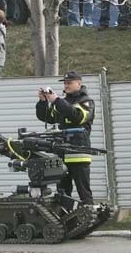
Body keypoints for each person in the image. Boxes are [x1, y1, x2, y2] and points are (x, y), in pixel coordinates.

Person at [35, 71, 95, 205]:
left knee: (84, 192)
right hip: (61, 153)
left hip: (78, 153)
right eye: (65, 83)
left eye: (69, 83)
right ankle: (65, 221)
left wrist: (57, 100)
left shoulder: (86, 102)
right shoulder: (62, 101)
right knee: (62, 193)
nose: (66, 85)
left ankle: (89, 217)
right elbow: (47, 118)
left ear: (79, 84)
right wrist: (43, 102)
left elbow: (77, 117)